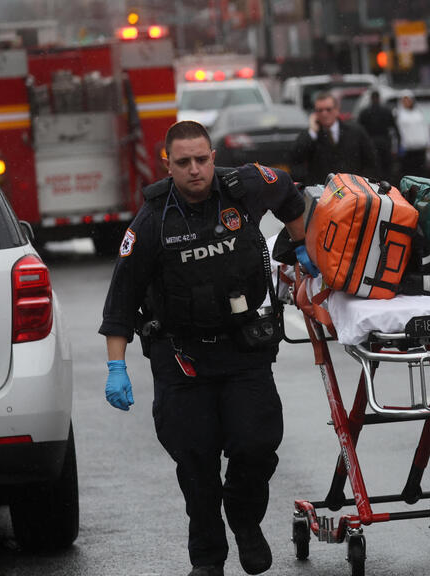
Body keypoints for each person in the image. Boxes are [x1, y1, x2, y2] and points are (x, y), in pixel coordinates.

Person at [100, 120, 309, 576]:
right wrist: (117, 366)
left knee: (257, 446)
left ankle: (245, 520)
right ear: (167, 165)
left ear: (213, 158)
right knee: (196, 464)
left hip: (242, 350)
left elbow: (289, 192)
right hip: (182, 359)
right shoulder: (152, 221)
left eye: (201, 159)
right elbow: (120, 301)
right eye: (183, 162)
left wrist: (301, 246)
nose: (194, 169)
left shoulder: (243, 188)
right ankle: (208, 559)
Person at [290, 91, 379, 186]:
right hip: (322, 190)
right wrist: (312, 131)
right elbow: (296, 157)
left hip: (352, 189)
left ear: (337, 110)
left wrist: (362, 183)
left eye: (328, 110)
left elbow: (371, 161)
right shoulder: (312, 134)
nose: (324, 114)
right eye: (320, 110)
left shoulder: (355, 131)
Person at [357, 89, 398, 181]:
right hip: (385, 143)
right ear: (379, 98)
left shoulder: (365, 112)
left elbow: (360, 129)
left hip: (370, 143)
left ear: (371, 99)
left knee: (374, 168)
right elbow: (394, 129)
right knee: (386, 169)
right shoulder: (386, 111)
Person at [394, 90, 430, 177]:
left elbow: (426, 129)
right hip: (407, 150)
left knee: (420, 173)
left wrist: (429, 144)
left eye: (408, 100)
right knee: (409, 173)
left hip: (420, 149)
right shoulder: (398, 114)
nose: (407, 102)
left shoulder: (419, 113)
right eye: (404, 100)